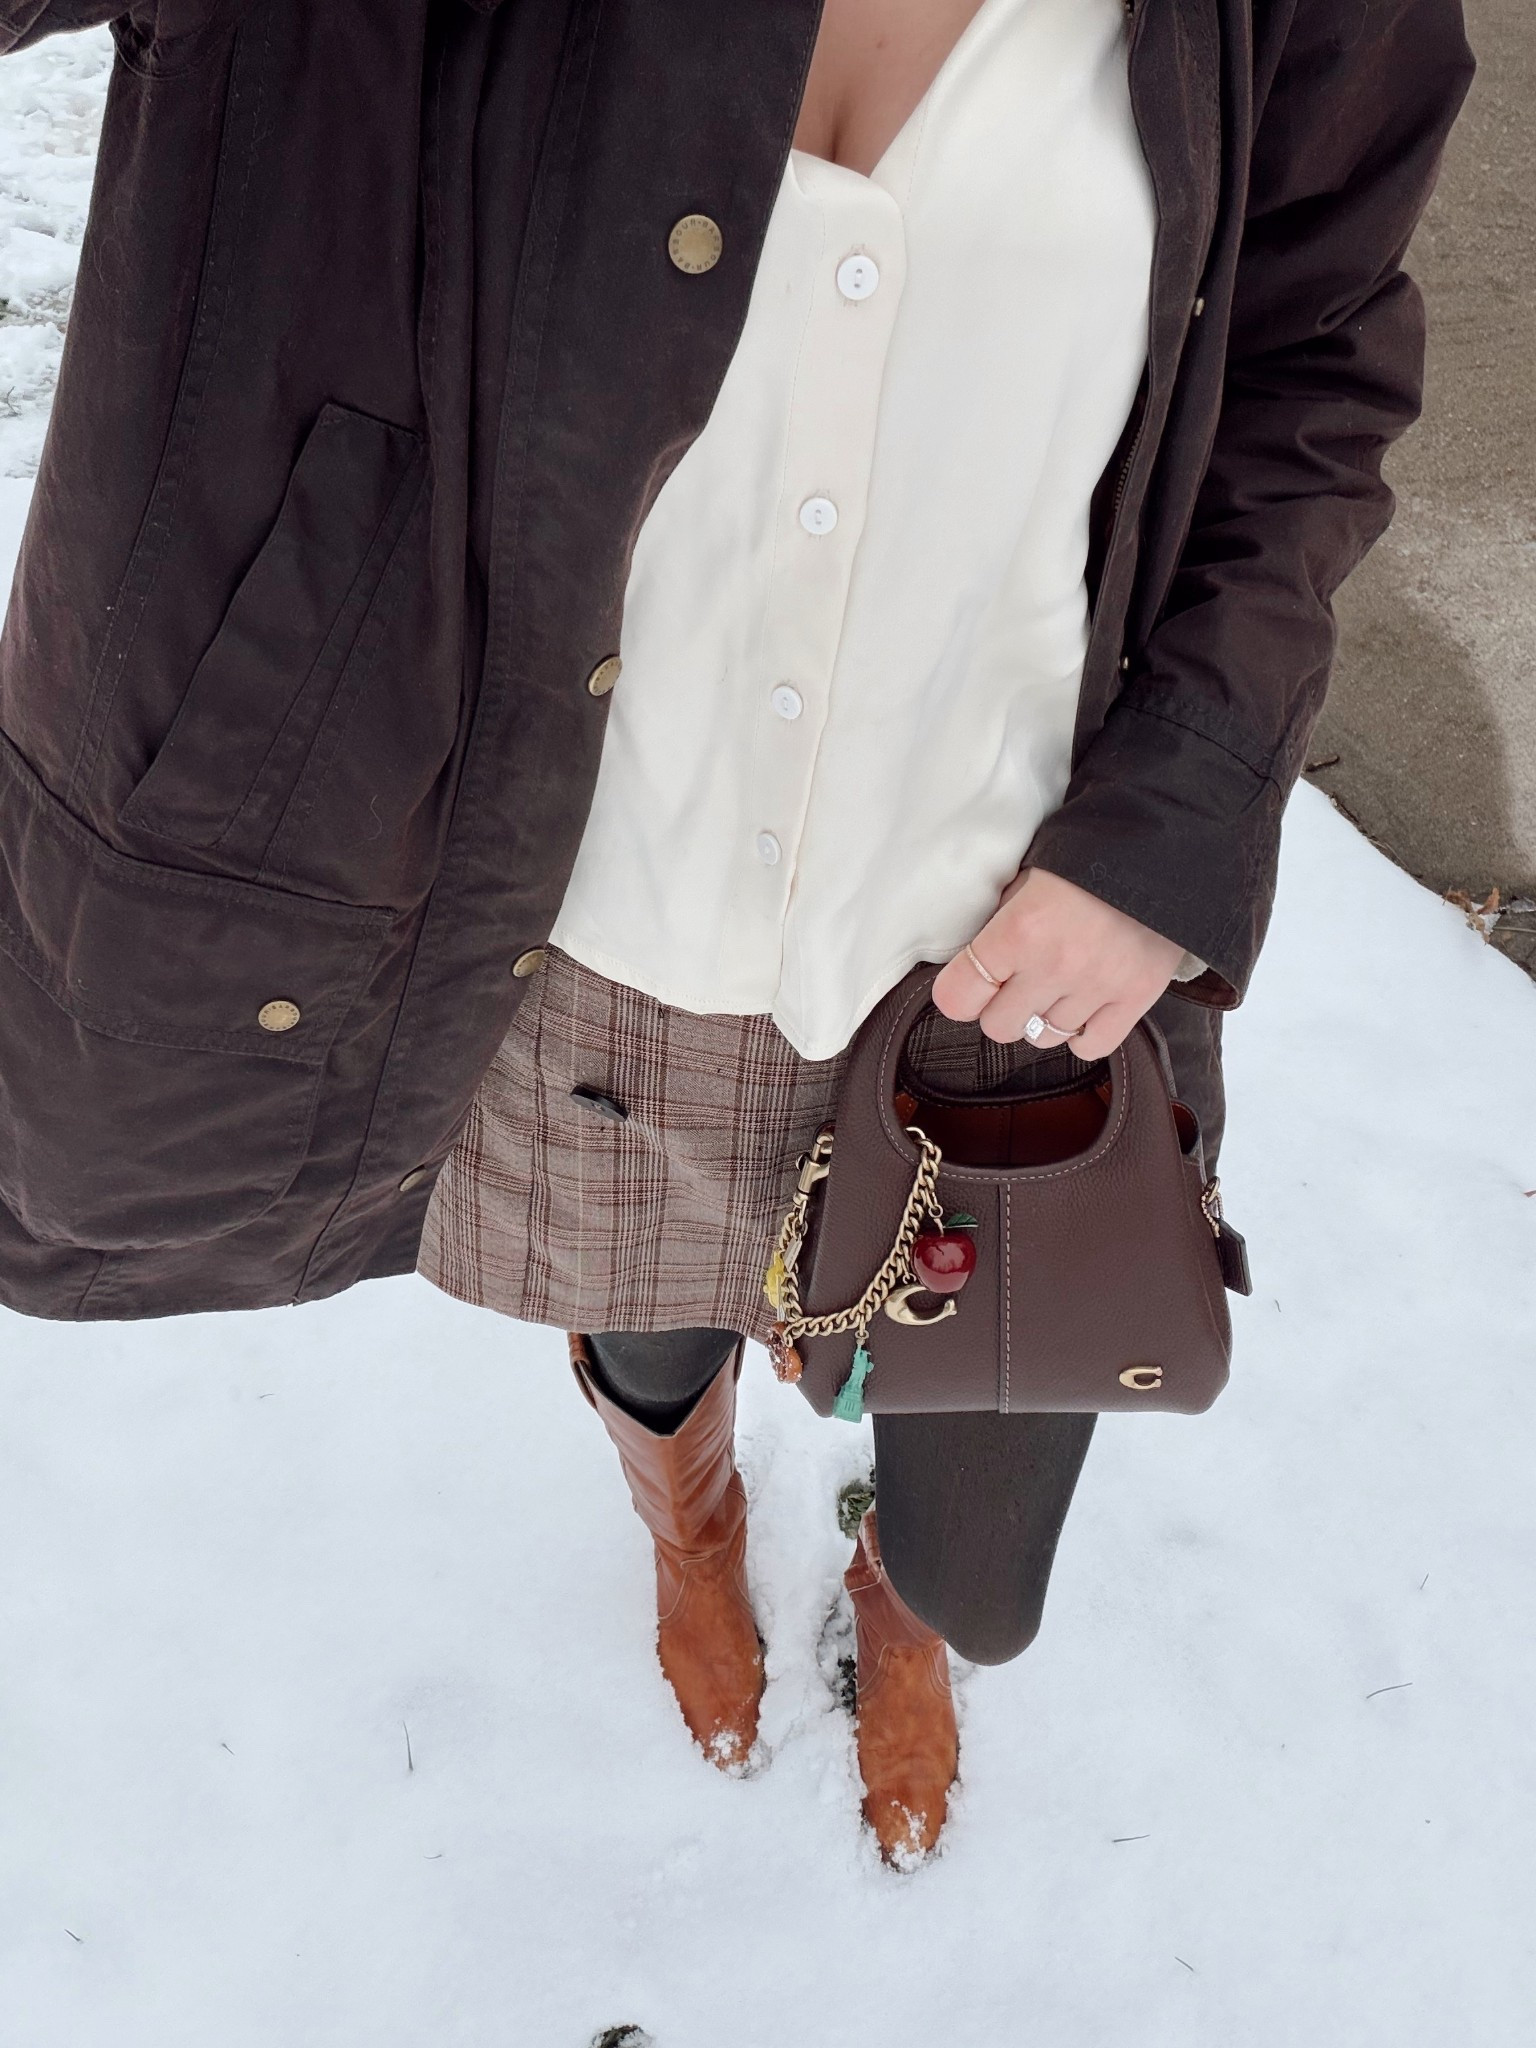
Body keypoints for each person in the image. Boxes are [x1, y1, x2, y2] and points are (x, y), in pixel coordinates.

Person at [0, 0, 1472, 1866]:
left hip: (1018, 948)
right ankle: (689, 1516)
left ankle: (907, 1602)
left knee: (987, 1478)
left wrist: (1179, 811)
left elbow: (1310, 359)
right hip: (582, 919)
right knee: (654, 1324)